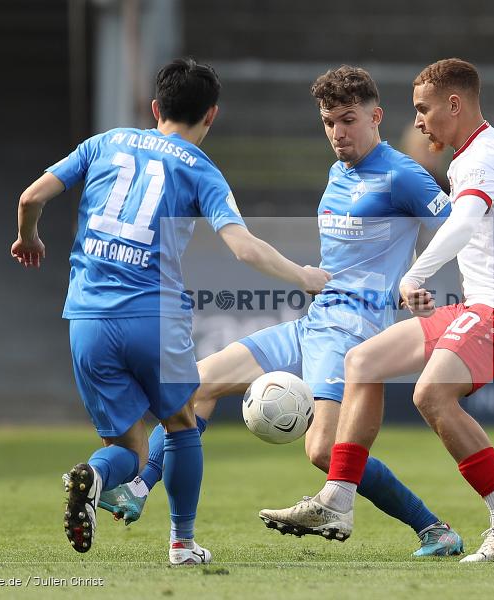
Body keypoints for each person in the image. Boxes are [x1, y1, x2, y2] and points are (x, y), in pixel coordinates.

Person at [100, 65, 466, 558]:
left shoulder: (402, 174)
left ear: (376, 117)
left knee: (323, 452)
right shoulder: (339, 172)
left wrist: (417, 279)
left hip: (351, 333)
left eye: (349, 120)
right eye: (329, 121)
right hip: (314, 322)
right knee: (197, 385)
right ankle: (140, 490)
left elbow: (459, 225)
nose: (338, 132)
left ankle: (434, 529)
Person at [10, 58, 330, 565]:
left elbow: (30, 197)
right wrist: (304, 276)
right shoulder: (202, 170)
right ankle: (181, 544)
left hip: (88, 319)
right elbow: (244, 249)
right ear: (212, 116)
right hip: (153, 317)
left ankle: (94, 475)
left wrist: (28, 237)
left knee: (127, 449)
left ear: (156, 107)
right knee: (181, 424)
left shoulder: (104, 143)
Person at [257, 58, 494, 564]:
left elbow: (459, 227)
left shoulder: (479, 158)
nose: (418, 122)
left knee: (433, 397)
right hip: (491, 302)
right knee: (363, 363)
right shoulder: (488, 149)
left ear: (453, 105)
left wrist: (413, 276)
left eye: (424, 109)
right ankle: (338, 500)